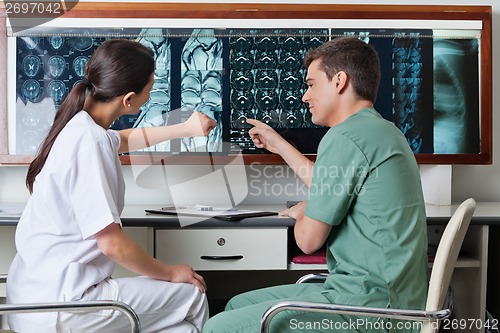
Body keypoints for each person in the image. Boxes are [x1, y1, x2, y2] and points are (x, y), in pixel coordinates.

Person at [202, 36, 428, 332]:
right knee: (235, 306)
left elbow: (308, 242)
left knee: (219, 328)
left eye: (310, 84)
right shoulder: (383, 131)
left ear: (339, 81)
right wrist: (280, 145)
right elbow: (332, 181)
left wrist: (305, 213)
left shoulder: (344, 137)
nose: (305, 97)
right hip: (391, 298)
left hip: (368, 308)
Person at [7, 39, 216, 333]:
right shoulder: (90, 142)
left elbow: (127, 139)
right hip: (63, 305)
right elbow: (111, 243)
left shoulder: (80, 125)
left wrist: (187, 128)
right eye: (151, 88)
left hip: (33, 293)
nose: (152, 93)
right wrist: (170, 272)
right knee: (192, 294)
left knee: (181, 329)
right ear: (129, 100)